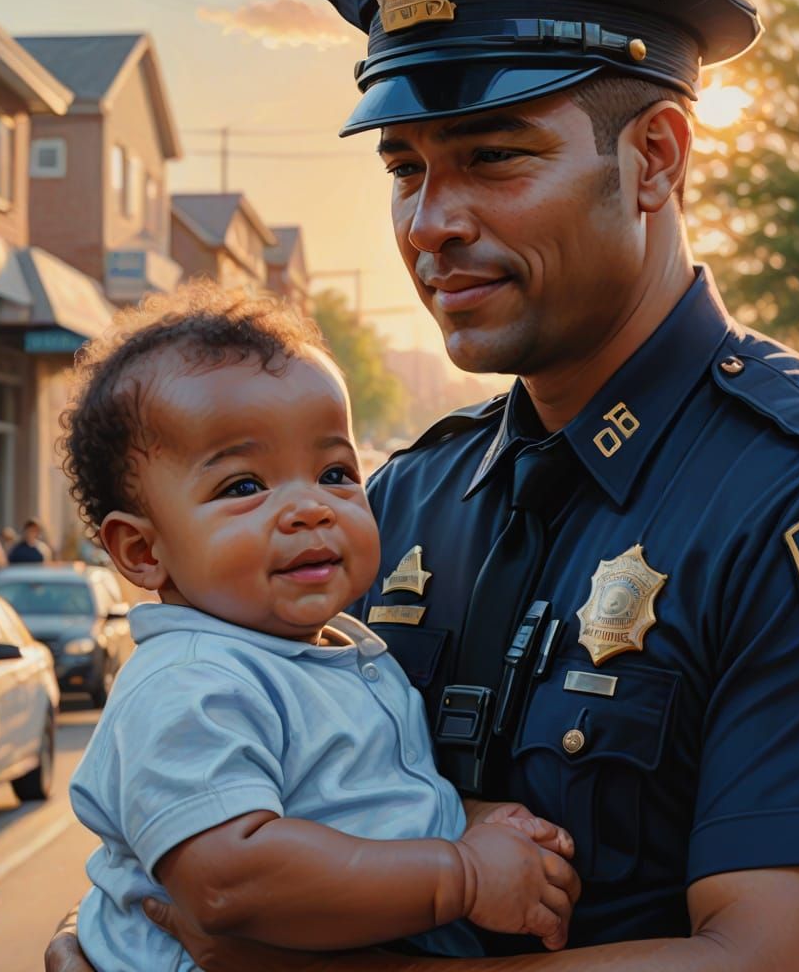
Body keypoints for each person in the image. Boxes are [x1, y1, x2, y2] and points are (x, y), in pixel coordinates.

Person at [48, 0, 799, 970]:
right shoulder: (405, 498)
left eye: (493, 157)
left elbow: (788, 961)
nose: (431, 223)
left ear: (654, 158)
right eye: (403, 169)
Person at [58, 285, 578, 972]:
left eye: (335, 472)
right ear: (143, 552)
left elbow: (359, 806)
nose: (308, 507)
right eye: (244, 486)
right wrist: (463, 875)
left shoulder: (344, 652)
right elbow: (229, 878)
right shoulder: (191, 680)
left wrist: (466, 818)